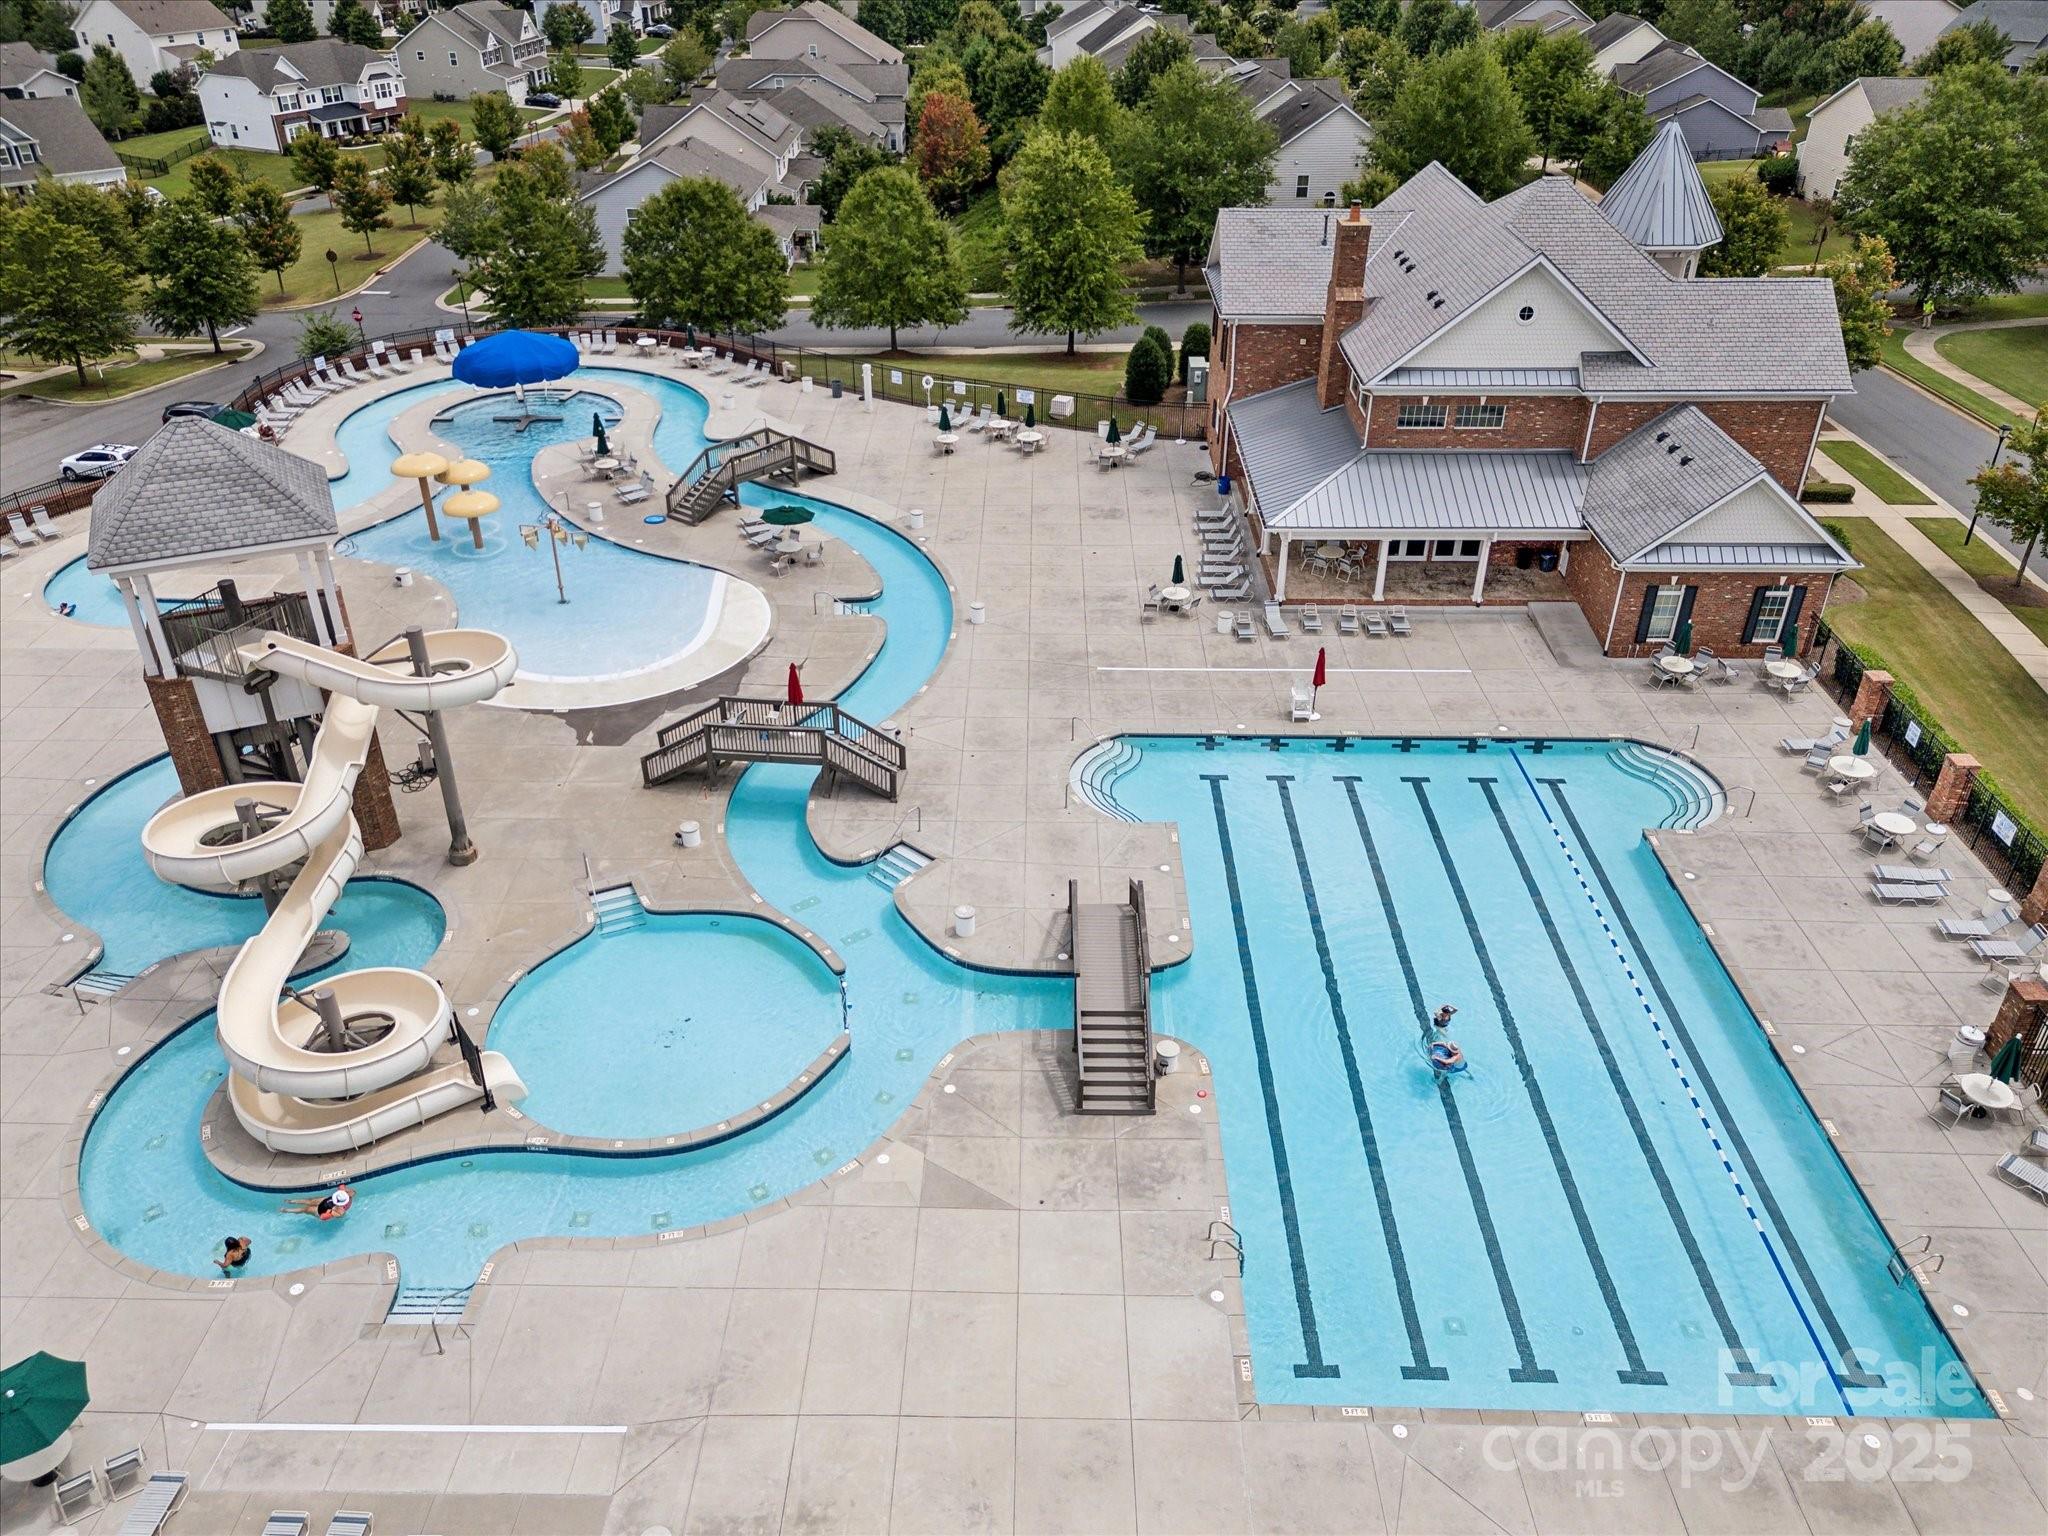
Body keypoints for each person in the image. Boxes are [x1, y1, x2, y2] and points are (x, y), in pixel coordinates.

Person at [281, 1185, 353, 1220]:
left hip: (320, 1210)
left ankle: (287, 1210)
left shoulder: (340, 1212)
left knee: (305, 1209)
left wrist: (331, 1211)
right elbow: (344, 1188)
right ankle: (292, 1201)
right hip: (326, 1201)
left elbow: (323, 1217)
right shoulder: (346, 1195)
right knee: (309, 1201)